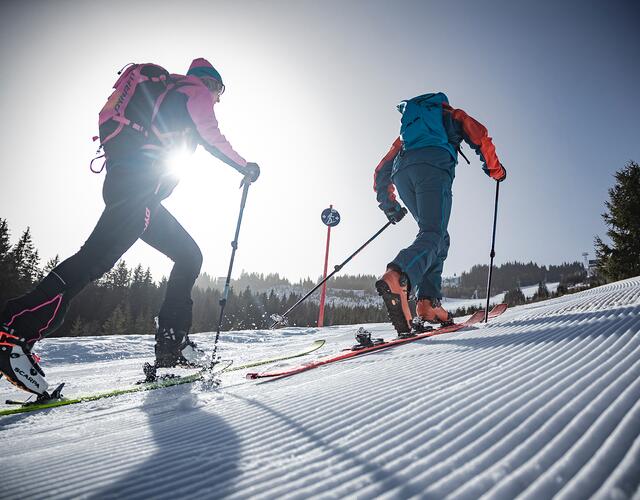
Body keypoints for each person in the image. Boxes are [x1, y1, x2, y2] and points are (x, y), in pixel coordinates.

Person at [0, 58, 260, 396]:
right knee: (94, 260)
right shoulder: (194, 91)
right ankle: (14, 330)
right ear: (209, 83)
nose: (217, 99)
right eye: (219, 91)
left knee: (188, 255)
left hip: (133, 188)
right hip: (138, 191)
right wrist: (246, 166)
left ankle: (172, 344)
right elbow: (212, 136)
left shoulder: (167, 92)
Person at [373, 92, 506, 336]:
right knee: (434, 233)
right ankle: (400, 277)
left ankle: (428, 303)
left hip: (402, 174)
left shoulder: (407, 134)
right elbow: (480, 135)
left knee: (437, 236)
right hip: (433, 168)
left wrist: (389, 204)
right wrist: (495, 170)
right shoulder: (449, 115)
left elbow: (381, 169)